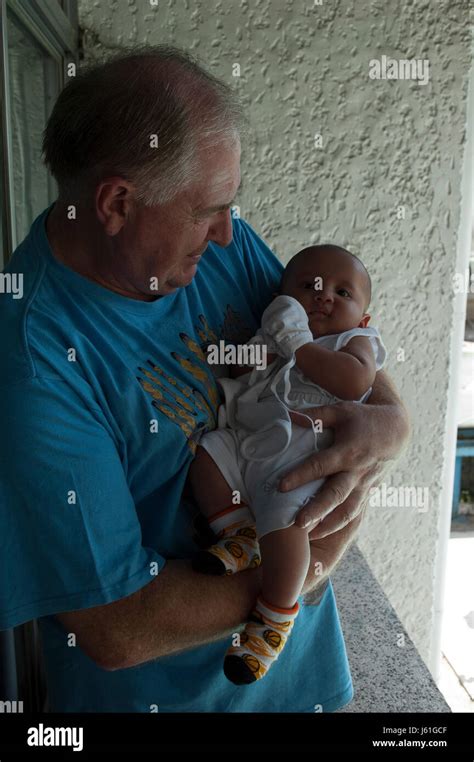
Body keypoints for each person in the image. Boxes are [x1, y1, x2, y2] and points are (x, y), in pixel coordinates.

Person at [0, 45, 410, 712]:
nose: (228, 234)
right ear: (116, 204)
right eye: (208, 211)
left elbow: (333, 343)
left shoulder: (217, 246)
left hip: (305, 684)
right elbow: (117, 626)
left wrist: (393, 423)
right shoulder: (35, 365)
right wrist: (304, 571)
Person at [189, 245, 387, 685]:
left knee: (288, 520)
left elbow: (355, 380)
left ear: (364, 318)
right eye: (308, 287)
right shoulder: (276, 334)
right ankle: (240, 533)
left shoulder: (353, 343)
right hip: (252, 444)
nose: (323, 296)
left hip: (301, 458)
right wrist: (262, 351)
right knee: (208, 454)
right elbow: (239, 374)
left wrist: (299, 345)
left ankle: (274, 620)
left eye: (342, 291)